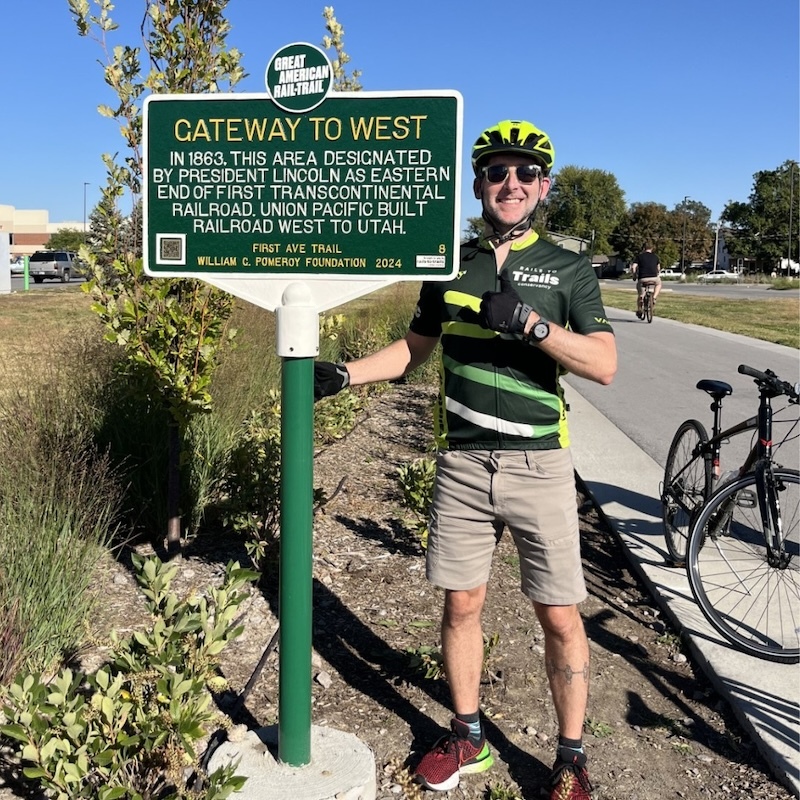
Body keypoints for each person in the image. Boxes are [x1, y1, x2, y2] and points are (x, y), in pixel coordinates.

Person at [314, 119, 617, 800]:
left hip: (539, 465)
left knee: (561, 615)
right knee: (460, 608)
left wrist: (532, 325)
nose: (511, 184)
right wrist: (344, 375)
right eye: (497, 172)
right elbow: (415, 350)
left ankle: (570, 758)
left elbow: (603, 364)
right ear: (478, 183)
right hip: (462, 465)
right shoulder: (448, 264)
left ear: (543, 186)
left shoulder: (567, 269)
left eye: (525, 173)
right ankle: (469, 736)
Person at [630, 245, 661, 318]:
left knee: (640, 294)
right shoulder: (655, 257)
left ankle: (640, 305)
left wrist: (634, 275)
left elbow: (633, 267)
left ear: (644, 249)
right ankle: (654, 297)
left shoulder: (639, 257)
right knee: (659, 284)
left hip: (643, 278)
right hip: (654, 278)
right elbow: (658, 268)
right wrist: (657, 273)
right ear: (652, 249)